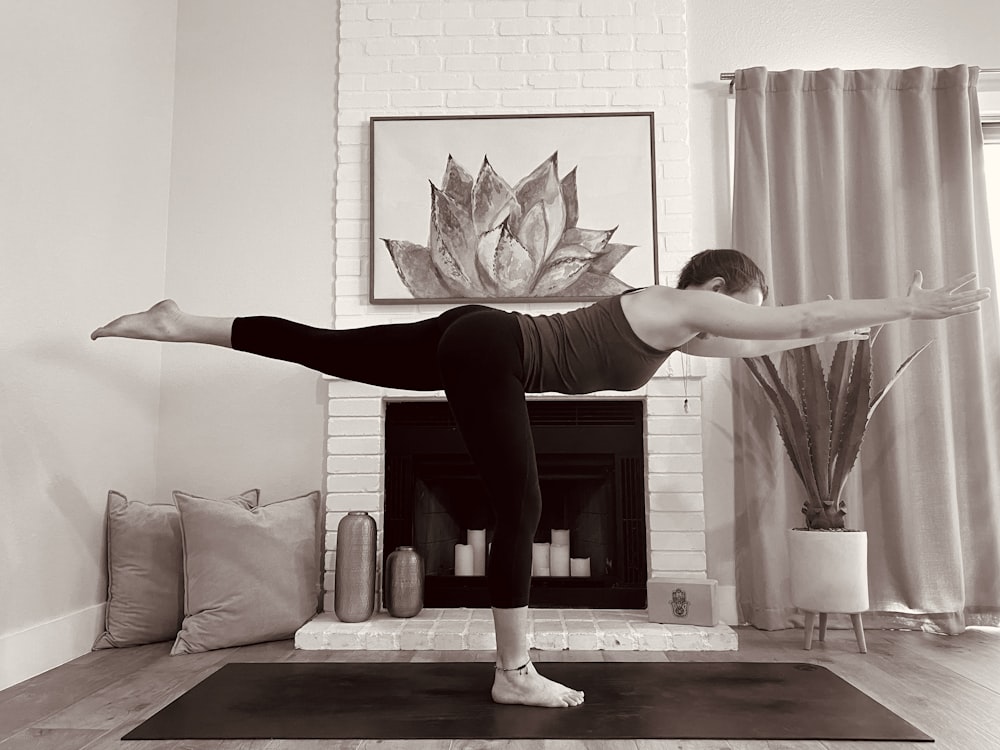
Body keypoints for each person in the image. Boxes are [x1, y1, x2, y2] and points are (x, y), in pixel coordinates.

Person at [91, 249, 990, 708]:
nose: (748, 320)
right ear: (721, 286)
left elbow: (786, 330)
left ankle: (182, 323)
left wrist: (838, 335)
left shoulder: (679, 327)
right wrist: (903, 304)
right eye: (745, 304)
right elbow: (793, 313)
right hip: (493, 347)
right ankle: (514, 670)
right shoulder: (684, 300)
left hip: (476, 334)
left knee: (331, 348)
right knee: (519, 506)